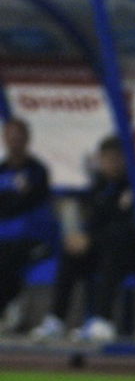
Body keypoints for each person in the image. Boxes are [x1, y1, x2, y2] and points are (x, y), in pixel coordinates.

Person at [29, 136, 135, 342]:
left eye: (115, 158)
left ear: (126, 159)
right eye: (106, 159)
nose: (110, 164)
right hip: (104, 250)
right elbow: (94, 222)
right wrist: (82, 238)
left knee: (114, 252)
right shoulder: (100, 186)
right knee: (72, 254)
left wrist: (93, 239)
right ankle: (56, 320)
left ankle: (103, 320)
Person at [0, 118, 58, 334]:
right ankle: (10, 307)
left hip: (32, 238)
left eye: (19, 136)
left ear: (26, 139)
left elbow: (30, 201)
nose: (14, 141)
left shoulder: (37, 171)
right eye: (10, 136)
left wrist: (10, 201)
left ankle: (9, 307)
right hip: (4, 235)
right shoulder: (2, 169)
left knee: (9, 255)